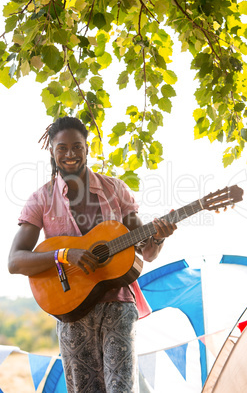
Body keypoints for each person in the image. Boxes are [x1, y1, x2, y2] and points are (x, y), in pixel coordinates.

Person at [8, 116, 177, 393]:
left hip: (118, 305)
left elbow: (145, 252)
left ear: (88, 148)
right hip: (71, 308)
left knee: (121, 388)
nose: (70, 154)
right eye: (62, 148)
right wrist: (63, 254)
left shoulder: (115, 190)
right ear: (51, 150)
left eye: (77, 146)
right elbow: (15, 261)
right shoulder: (41, 199)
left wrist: (158, 235)